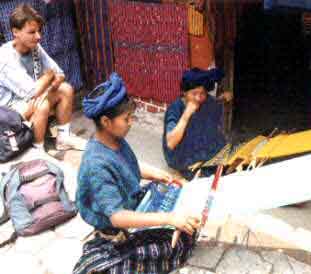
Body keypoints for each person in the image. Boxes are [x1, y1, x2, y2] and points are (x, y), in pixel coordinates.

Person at [74, 73, 200, 274]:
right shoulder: (96, 164)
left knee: (181, 207)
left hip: (131, 201)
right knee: (177, 244)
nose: (131, 122)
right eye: (126, 118)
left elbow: (128, 166)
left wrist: (156, 174)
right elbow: (117, 217)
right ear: (106, 121)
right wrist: (168, 219)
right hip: (116, 225)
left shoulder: (114, 139)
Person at [0, 4, 86, 151]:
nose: (38, 37)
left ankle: (63, 138)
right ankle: (37, 150)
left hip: (29, 97)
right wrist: (49, 76)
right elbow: (32, 90)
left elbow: (59, 73)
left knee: (65, 89)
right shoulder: (5, 58)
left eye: (39, 31)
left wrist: (50, 81)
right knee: (43, 105)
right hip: (8, 112)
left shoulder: (34, 47)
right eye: (32, 32)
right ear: (15, 32)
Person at [163, 67, 232, 179]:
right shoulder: (175, 108)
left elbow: (214, 104)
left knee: (228, 161)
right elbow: (170, 143)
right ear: (184, 92)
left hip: (199, 142)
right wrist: (186, 114)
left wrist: (223, 99)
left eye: (202, 93)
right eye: (194, 93)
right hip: (182, 151)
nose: (198, 98)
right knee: (206, 176)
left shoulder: (207, 101)